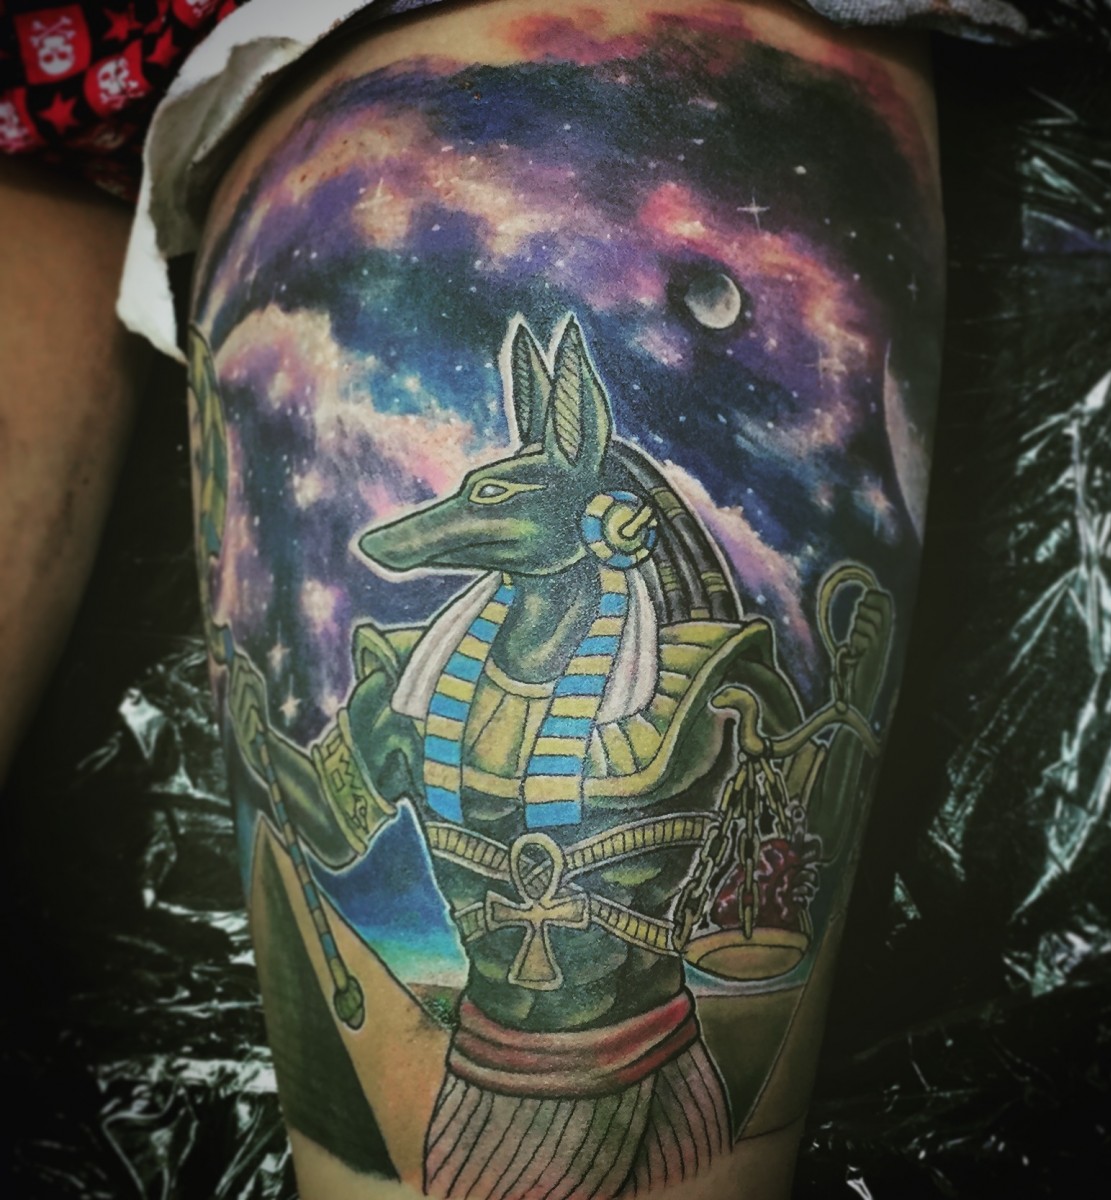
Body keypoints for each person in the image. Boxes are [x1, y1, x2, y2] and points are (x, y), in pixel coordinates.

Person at [1, 1, 966, 1195]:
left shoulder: (695, 682)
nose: (446, 524)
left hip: (631, 1088)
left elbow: (784, 802)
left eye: (500, 500)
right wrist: (267, 732)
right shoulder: (415, 694)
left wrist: (837, 708)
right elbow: (337, 819)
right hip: (475, 1088)